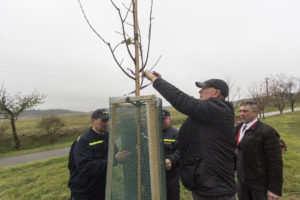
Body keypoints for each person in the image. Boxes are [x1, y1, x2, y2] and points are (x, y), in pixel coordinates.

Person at [144, 70, 236, 200]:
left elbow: (184, 102)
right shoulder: (211, 112)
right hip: (206, 185)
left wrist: (155, 80)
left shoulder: (218, 109)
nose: (200, 91)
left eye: (204, 88)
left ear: (216, 93)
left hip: (215, 190)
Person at [68, 109, 130, 200]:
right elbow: (85, 167)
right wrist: (114, 160)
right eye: (103, 121)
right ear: (93, 121)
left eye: (107, 120)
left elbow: (116, 153)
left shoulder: (108, 136)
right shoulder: (83, 141)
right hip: (84, 191)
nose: (107, 124)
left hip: (102, 188)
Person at [235, 100, 283, 200]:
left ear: (256, 112)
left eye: (245, 111)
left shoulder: (267, 132)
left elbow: (275, 161)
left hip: (259, 184)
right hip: (242, 182)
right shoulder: (238, 128)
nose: (241, 114)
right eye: (240, 111)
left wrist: (274, 189)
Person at [162, 109, 180, 200]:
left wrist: (171, 160)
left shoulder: (175, 133)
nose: (162, 122)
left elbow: (180, 151)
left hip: (171, 175)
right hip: (156, 176)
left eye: (164, 119)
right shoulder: (153, 133)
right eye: (160, 119)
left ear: (169, 118)